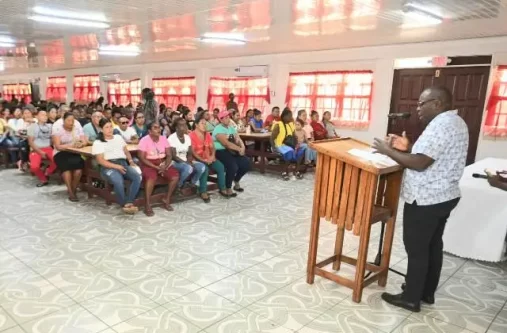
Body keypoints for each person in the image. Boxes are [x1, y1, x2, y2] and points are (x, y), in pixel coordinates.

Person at [372, 86, 468, 313]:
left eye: (421, 104)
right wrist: (407, 148)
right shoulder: (455, 122)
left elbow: (420, 163)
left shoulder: (441, 124)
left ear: (437, 103)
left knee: (416, 249)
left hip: (427, 198)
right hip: (444, 195)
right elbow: (428, 154)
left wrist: (388, 151)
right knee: (433, 245)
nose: (417, 109)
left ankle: (410, 298)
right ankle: (425, 291)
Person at [92, 118, 141, 214]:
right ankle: (124, 203)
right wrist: (116, 167)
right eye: (106, 127)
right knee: (118, 180)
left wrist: (131, 161)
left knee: (136, 177)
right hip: (108, 166)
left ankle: (129, 201)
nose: (110, 129)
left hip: (123, 164)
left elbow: (126, 151)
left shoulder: (118, 138)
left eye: (111, 126)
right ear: (101, 129)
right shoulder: (98, 142)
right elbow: (100, 161)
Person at [137, 122, 179, 216]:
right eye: (155, 128)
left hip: (162, 162)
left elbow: (169, 155)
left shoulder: (164, 139)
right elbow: (142, 158)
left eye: (159, 127)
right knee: (151, 178)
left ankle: (166, 199)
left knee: (175, 176)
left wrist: (165, 165)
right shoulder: (144, 140)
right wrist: (155, 167)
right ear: (149, 131)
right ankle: (147, 204)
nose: (159, 129)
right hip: (148, 163)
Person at [189, 113, 228, 202]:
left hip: (209, 158)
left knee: (220, 167)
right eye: (202, 123)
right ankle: (203, 191)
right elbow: (193, 153)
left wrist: (212, 156)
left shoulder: (207, 135)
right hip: (197, 160)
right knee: (205, 169)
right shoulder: (191, 136)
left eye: (206, 123)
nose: (205, 125)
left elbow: (212, 147)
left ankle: (222, 188)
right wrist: (204, 160)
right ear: (196, 125)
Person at [212, 110, 250, 196]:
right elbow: (226, 143)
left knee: (246, 163)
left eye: (228, 116)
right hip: (220, 151)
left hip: (233, 150)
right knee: (233, 166)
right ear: (220, 120)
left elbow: (238, 138)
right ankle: (228, 187)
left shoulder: (231, 128)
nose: (228, 118)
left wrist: (243, 147)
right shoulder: (218, 129)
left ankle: (236, 180)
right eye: (225, 117)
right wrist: (239, 149)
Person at [52, 112, 86, 202]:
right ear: (64, 120)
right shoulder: (58, 128)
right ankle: (71, 193)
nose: (71, 123)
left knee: (78, 170)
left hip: (74, 152)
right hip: (60, 153)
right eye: (69, 120)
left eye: (72, 121)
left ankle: (73, 189)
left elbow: (84, 140)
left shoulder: (76, 127)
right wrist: (71, 145)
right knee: (66, 169)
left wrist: (80, 144)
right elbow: (58, 146)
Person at [168, 118, 206, 191]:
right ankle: (179, 185)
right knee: (188, 168)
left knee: (201, 167)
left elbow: (189, 152)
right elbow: (174, 156)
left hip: (185, 160)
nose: (185, 127)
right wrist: (187, 163)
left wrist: (189, 161)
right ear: (176, 127)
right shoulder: (171, 138)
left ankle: (192, 183)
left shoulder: (187, 137)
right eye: (182, 125)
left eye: (185, 124)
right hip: (174, 162)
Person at [271, 108, 305, 180]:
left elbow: (294, 136)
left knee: (301, 151)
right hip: (279, 145)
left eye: (291, 116)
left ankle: (296, 170)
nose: (291, 117)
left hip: (289, 145)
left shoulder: (290, 124)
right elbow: (272, 138)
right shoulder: (278, 125)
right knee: (289, 152)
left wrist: (296, 145)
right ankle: (284, 172)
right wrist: (273, 148)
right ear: (284, 116)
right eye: (289, 116)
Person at [27, 110, 57, 187]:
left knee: (58, 161)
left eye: (46, 115)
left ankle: (47, 172)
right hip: (36, 149)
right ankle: (43, 179)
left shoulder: (50, 126)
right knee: (34, 167)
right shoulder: (32, 127)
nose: (45, 117)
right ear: (37, 117)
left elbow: (53, 138)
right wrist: (40, 152)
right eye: (42, 115)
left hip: (48, 148)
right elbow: (30, 142)